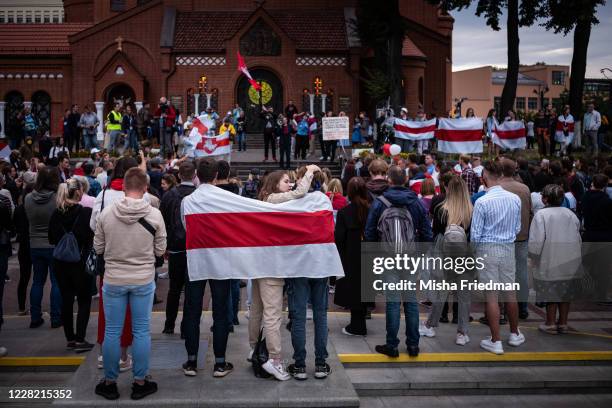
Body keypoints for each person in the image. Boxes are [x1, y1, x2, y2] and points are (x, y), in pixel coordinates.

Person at [94, 168, 166, 400]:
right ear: (145, 188)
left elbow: (98, 248)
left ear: (123, 187)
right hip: (143, 278)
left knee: (112, 331)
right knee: (141, 330)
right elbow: (160, 250)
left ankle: (110, 381)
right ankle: (140, 381)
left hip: (114, 278)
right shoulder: (155, 215)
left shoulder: (106, 214)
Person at [250, 164, 320, 381]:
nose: (289, 185)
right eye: (286, 181)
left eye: (290, 181)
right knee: (272, 314)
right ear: (274, 184)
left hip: (259, 263)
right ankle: (275, 359)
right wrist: (309, 171)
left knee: (258, 310)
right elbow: (300, 193)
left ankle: (254, 351)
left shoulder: (265, 200)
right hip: (272, 265)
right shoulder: (272, 199)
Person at [365, 166, 433, 357]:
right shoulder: (416, 202)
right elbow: (427, 233)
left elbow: (370, 232)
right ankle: (413, 345)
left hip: (388, 258)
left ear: (388, 179)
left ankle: (392, 345)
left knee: (392, 302)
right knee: (411, 301)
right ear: (405, 179)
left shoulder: (380, 202)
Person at [181, 158, 234, 378]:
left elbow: (185, 227)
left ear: (196, 175)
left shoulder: (188, 201)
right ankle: (220, 363)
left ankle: (192, 361)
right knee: (221, 312)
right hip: (221, 260)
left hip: (196, 259)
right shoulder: (228, 199)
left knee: (192, 311)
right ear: (215, 176)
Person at [471, 160, 524, 355]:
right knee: (510, 292)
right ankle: (514, 333)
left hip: (487, 248)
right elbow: (517, 228)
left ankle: (496, 340)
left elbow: (475, 235)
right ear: (501, 176)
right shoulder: (514, 199)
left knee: (491, 296)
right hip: (507, 247)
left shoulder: (482, 201)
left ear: (484, 177)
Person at [419, 176, 473, 346]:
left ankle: (430, 325)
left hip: (442, 248)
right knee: (463, 293)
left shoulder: (441, 208)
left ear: (448, 189)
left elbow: (435, 231)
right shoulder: (471, 210)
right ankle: (462, 333)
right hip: (465, 249)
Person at [48, 178, 95, 352]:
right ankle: (80, 338)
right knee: (84, 300)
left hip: (60, 262)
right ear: (78, 192)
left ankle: (70, 338)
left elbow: (51, 239)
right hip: (80, 263)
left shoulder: (56, 214)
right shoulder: (85, 213)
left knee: (66, 299)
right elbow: (91, 239)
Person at [528, 184, 581, 335]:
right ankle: (563, 323)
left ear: (544, 199)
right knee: (566, 293)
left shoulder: (541, 215)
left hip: (549, 260)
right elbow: (578, 237)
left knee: (550, 291)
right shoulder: (571, 214)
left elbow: (536, 241)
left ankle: (550, 322)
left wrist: (533, 258)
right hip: (570, 259)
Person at [160, 161, 196, 337]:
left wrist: (164, 245)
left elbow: (162, 221)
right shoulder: (197, 195)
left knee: (174, 288)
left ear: (179, 175)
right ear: (194, 175)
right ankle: (186, 327)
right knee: (191, 290)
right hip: (193, 248)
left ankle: (169, 325)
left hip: (175, 247)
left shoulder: (169, 196)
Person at [24, 166, 62, 328]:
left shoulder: (28, 198)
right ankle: (55, 318)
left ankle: (35, 316)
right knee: (56, 282)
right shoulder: (57, 198)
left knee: (37, 281)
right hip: (53, 244)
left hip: (34, 244)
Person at [334, 177, 371, 336]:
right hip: (370, 254)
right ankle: (360, 321)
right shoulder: (371, 209)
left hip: (350, 256)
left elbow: (339, 238)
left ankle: (357, 325)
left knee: (353, 290)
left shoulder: (345, 212)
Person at [499, 158, 532, 319]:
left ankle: (505, 309)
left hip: (503, 237)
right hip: (522, 236)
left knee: (503, 273)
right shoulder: (524, 189)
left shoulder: (498, 188)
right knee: (521, 272)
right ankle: (522, 307)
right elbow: (530, 211)